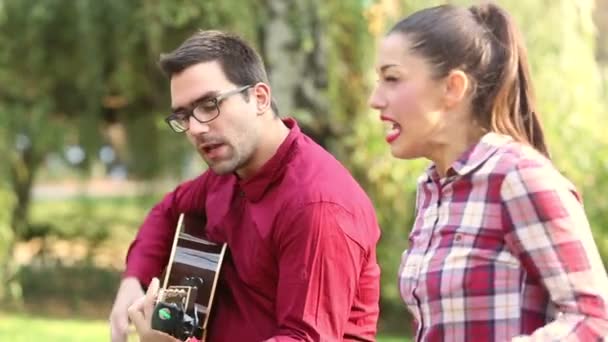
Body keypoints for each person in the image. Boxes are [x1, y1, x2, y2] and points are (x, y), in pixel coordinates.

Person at [109, 30, 381, 342]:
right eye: (183, 115)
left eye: (209, 105)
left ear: (259, 98)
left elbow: (303, 338)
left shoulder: (318, 205)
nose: (196, 128)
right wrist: (135, 278)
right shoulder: (227, 173)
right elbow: (168, 211)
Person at [368, 3, 608, 341]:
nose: (375, 100)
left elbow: (594, 319)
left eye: (392, 79)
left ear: (453, 87)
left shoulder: (518, 178)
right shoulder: (432, 189)